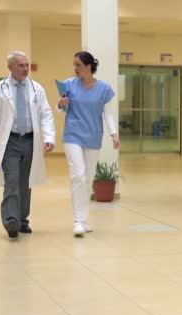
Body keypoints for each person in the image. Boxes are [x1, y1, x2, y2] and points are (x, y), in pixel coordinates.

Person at [0, 51, 56, 239]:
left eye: (26, 65)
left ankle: (23, 220)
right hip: (10, 142)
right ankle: (11, 221)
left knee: (26, 182)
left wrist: (49, 137)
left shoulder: (36, 88)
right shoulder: (0, 89)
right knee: (12, 182)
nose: (25, 69)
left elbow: (46, 114)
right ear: (10, 67)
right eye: (21, 65)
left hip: (30, 141)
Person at [57, 51, 120, 237]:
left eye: (78, 65)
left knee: (88, 178)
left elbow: (107, 113)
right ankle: (78, 221)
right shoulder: (68, 84)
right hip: (73, 135)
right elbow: (60, 108)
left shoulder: (103, 88)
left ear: (89, 66)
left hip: (93, 136)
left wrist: (114, 134)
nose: (75, 68)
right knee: (78, 175)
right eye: (74, 65)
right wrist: (61, 104)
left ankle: (83, 220)